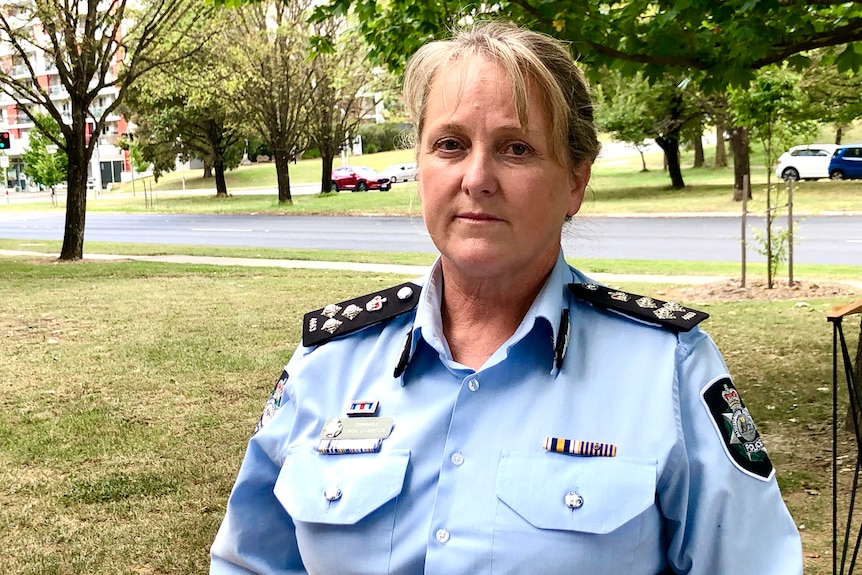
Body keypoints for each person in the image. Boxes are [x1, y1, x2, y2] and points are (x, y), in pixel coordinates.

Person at [210, 21, 803, 574]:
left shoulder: (667, 371)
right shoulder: (330, 364)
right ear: (420, 163)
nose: (476, 177)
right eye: (449, 144)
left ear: (576, 180)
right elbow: (248, 561)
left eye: (516, 148)